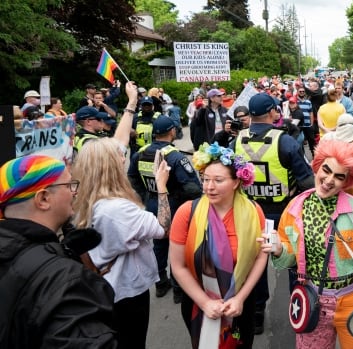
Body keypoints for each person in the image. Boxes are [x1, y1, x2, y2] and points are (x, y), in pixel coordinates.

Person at [72, 81, 171, 349]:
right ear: (110, 167)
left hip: (103, 289)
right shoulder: (118, 209)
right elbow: (162, 228)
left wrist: (129, 104)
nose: (123, 156)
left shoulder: (83, 199)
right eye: (118, 157)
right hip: (126, 293)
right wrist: (161, 188)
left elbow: (120, 141)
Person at [265, 140, 353, 349]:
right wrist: (278, 250)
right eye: (326, 170)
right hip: (313, 300)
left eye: (339, 176)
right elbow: (290, 257)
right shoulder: (295, 208)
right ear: (317, 165)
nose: (329, 180)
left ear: (347, 181)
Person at [0, 155, 118, 348]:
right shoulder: (64, 279)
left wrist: (62, 252)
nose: (75, 192)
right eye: (69, 185)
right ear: (44, 199)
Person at [169, 143, 268, 349]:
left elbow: (260, 256)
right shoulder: (187, 213)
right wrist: (205, 302)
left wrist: (240, 298)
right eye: (205, 179)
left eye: (218, 180)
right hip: (198, 301)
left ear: (236, 182)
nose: (208, 187)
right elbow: (178, 266)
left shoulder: (253, 212)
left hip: (241, 304)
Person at [232, 92, 315, 334]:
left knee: (254, 265)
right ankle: (297, 307)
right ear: (271, 112)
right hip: (283, 214)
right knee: (293, 262)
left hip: (251, 213)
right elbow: (307, 182)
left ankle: (257, 314)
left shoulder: (237, 140)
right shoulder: (286, 141)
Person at [128, 116, 202, 302]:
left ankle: (160, 283)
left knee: (159, 245)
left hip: (153, 203)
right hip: (174, 206)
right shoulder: (175, 156)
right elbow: (192, 188)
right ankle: (179, 288)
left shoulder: (140, 153)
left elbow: (132, 177)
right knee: (180, 246)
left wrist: (146, 195)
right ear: (171, 132)